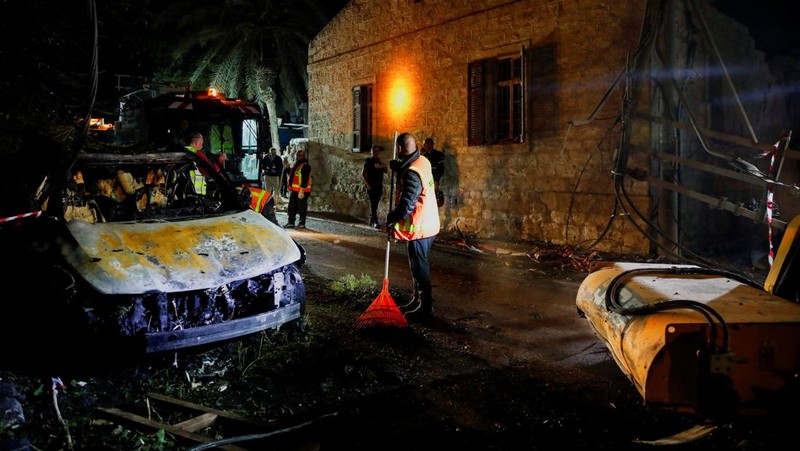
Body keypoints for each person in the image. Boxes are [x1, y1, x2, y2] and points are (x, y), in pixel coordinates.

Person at [386, 132, 441, 322]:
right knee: (417, 265)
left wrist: (392, 217)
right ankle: (417, 299)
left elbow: (407, 204)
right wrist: (400, 168)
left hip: (421, 228)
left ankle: (425, 307)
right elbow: (411, 168)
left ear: (400, 149)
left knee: (419, 267)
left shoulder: (412, 173)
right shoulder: (423, 161)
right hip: (430, 222)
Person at [284, 149, 312, 228]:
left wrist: (301, 191)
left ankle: (302, 223)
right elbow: (293, 176)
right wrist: (287, 168)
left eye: (301, 155)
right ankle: (291, 222)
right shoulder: (297, 166)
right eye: (298, 155)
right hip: (295, 190)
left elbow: (305, 179)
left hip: (302, 191)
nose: (299, 157)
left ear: (304, 156)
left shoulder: (305, 166)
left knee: (301, 207)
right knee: (292, 207)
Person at [361, 144, 388, 227]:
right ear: (371, 152)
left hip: (379, 185)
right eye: (374, 151)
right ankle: (375, 221)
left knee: (375, 203)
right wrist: (368, 184)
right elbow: (363, 174)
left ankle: (371, 220)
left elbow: (386, 170)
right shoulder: (368, 161)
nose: (376, 153)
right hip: (372, 186)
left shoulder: (379, 161)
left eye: (377, 151)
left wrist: (381, 162)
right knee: (373, 204)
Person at [421, 137, 445, 206]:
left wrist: (436, 179)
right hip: (425, 180)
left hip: (434, 180)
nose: (424, 146)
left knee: (432, 198)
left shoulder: (438, 155)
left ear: (430, 144)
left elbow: (441, 168)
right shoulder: (424, 155)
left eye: (426, 144)